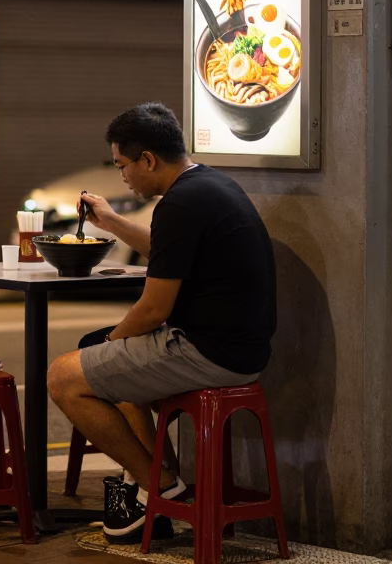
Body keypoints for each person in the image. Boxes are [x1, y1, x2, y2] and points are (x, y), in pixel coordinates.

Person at [46, 102, 277, 545]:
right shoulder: (206, 185)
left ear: (148, 159)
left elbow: (154, 309)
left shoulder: (180, 203)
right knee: (103, 358)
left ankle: (159, 485)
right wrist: (111, 221)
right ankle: (158, 485)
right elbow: (168, 250)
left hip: (210, 351)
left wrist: (112, 343)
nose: (123, 177)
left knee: (63, 376)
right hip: (239, 345)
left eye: (123, 166)